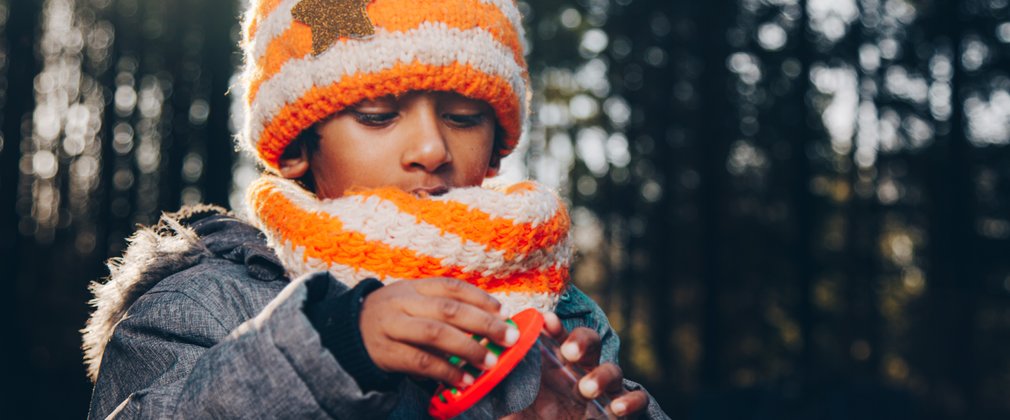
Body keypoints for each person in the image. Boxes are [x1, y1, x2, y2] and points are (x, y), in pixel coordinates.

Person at [82, 0, 669, 418]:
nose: (432, 149)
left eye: (463, 117)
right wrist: (334, 350)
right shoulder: (204, 304)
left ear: (495, 146)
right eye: (377, 115)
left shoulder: (558, 315)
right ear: (295, 147)